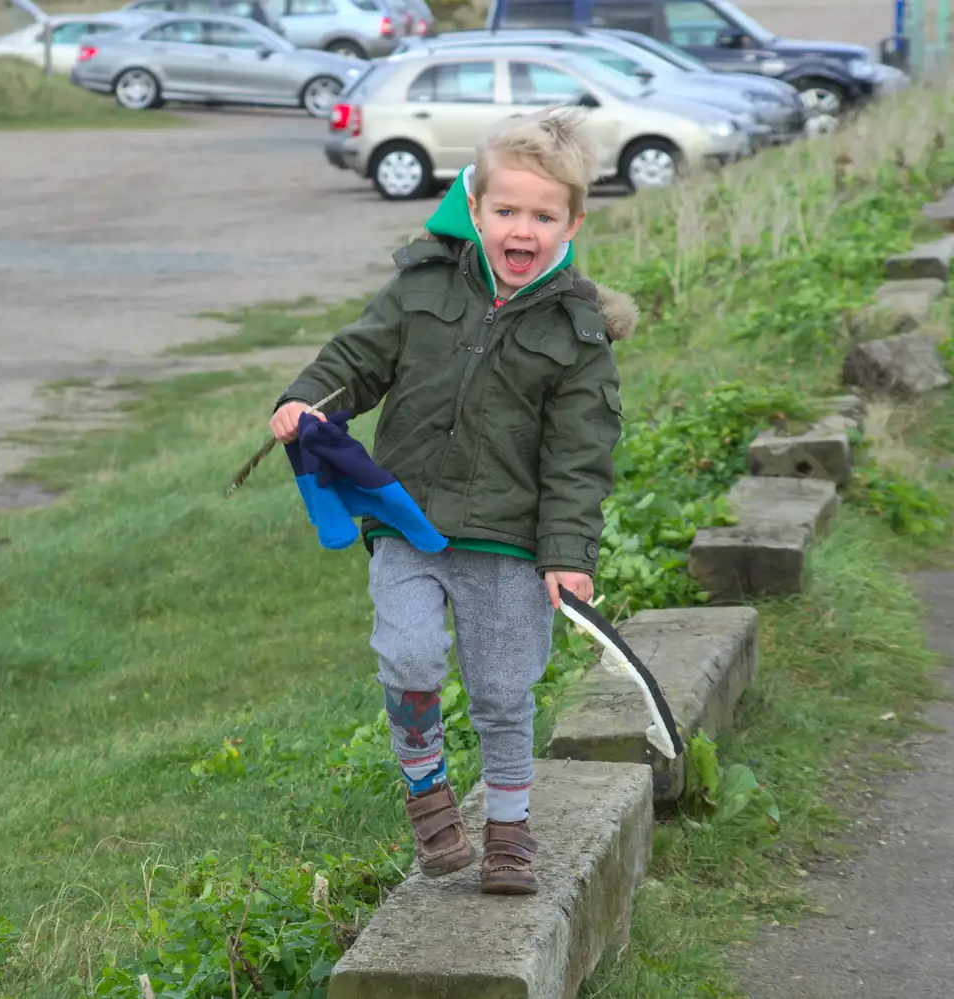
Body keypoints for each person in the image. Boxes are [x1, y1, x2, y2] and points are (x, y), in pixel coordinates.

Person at [270, 106, 638, 895]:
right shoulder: (423, 284)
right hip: (410, 520)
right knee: (407, 656)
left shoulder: (579, 336)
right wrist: (307, 399)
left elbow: (580, 460)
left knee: (505, 690)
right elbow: (358, 358)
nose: (521, 229)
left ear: (573, 221)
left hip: (509, 544)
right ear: (474, 208)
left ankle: (509, 828)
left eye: (543, 215)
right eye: (506, 210)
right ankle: (429, 796)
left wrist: (568, 555)